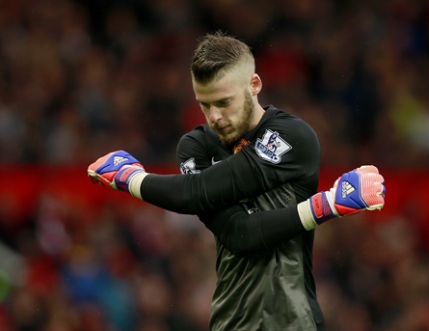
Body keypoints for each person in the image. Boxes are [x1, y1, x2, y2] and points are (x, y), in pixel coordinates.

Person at [88, 31, 386, 331]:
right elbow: (239, 235)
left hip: (293, 321)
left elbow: (206, 199)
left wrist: (131, 179)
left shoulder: (292, 136)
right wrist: (325, 206)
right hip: (228, 322)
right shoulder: (196, 147)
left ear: (254, 85)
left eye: (223, 102)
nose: (214, 116)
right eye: (205, 104)